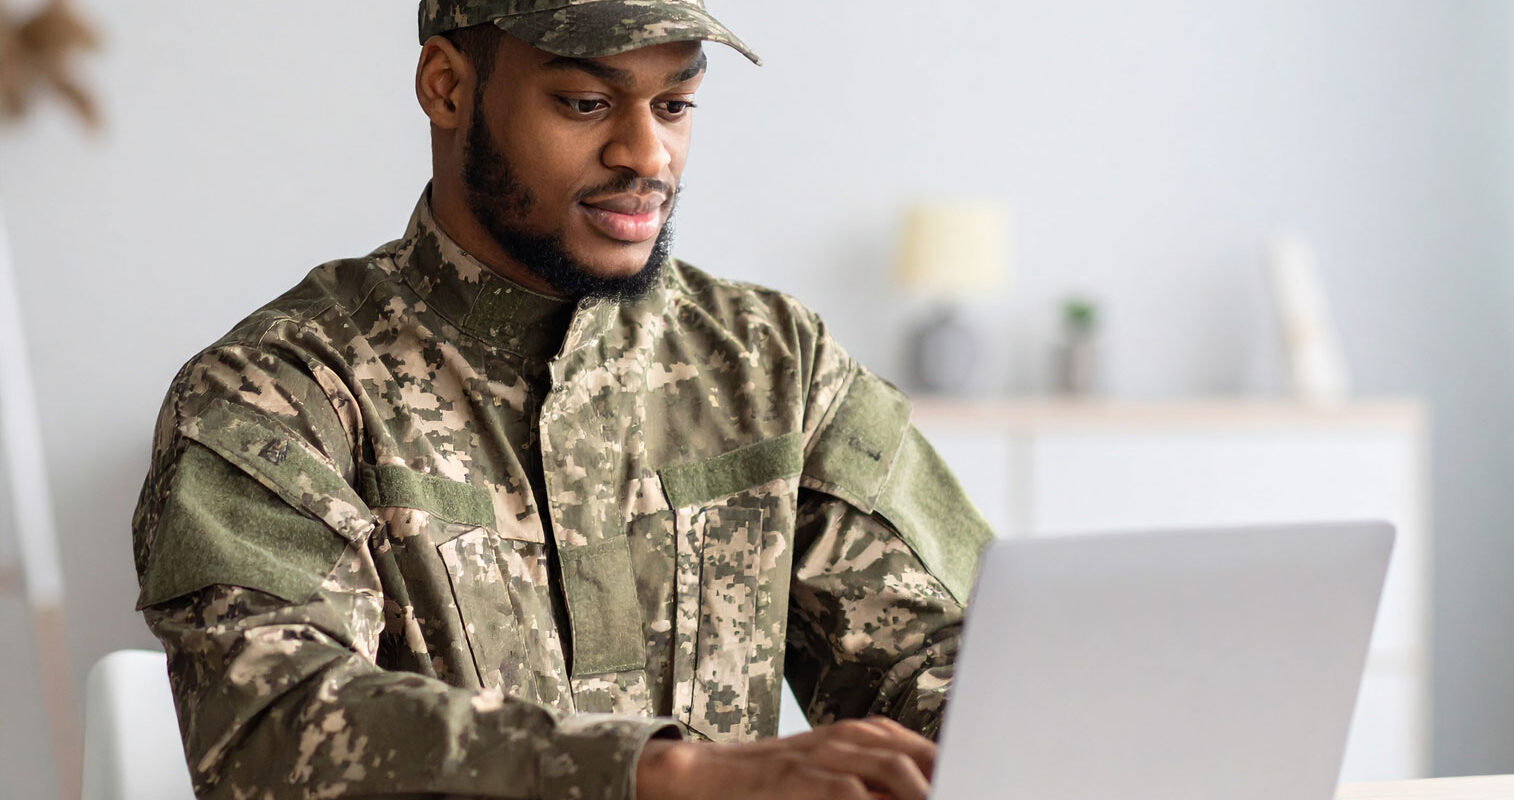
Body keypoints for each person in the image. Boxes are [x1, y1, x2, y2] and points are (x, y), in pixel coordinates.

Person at [130, 2, 993, 798]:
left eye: (675, 105)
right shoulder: (276, 390)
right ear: (448, 87)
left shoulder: (773, 362)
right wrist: (665, 776)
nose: (646, 155)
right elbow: (274, 732)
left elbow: (948, 660)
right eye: (585, 102)